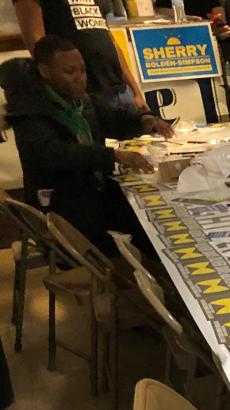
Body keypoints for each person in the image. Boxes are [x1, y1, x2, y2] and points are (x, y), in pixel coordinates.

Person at [4, 36, 156, 254]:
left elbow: (112, 117)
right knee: (145, 227)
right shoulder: (29, 111)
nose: (79, 78)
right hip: (64, 211)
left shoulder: (78, 99)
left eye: (83, 70)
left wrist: (144, 119)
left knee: (148, 213)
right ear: (45, 72)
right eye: (70, 72)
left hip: (92, 195)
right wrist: (113, 156)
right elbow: (53, 154)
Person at [12, 0, 166, 125]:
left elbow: (110, 41)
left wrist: (135, 91)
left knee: (138, 156)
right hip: (84, 95)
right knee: (96, 158)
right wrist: (67, 95)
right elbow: (38, 44)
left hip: (119, 90)